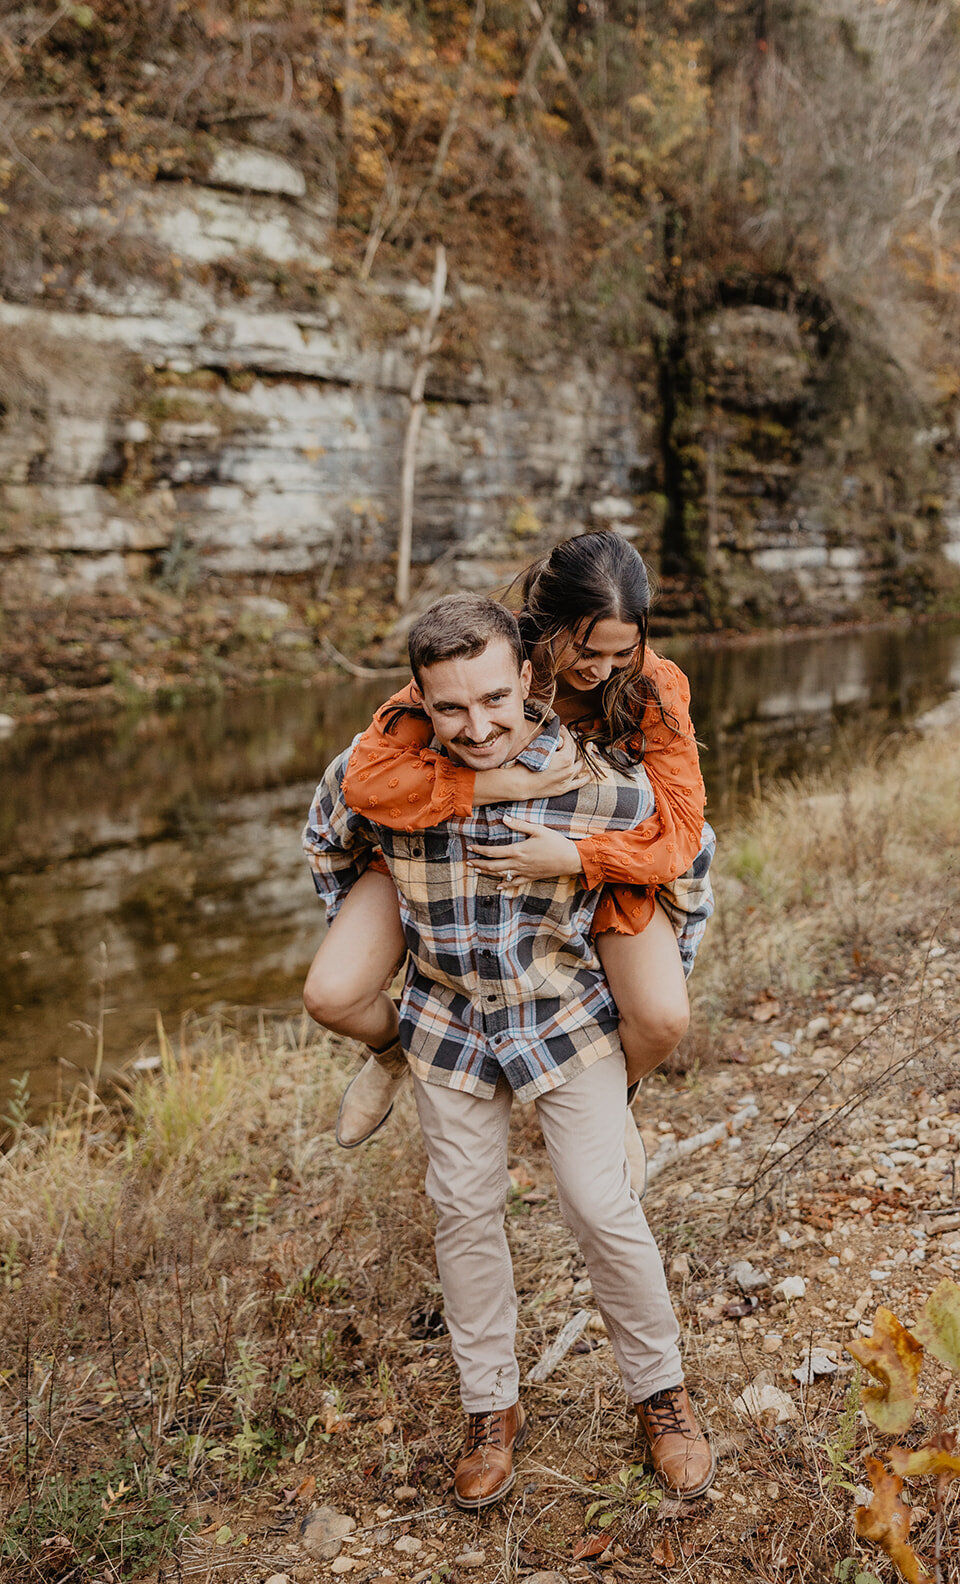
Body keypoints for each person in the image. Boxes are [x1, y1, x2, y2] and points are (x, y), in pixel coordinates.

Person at [303, 594, 715, 1507]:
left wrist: (640, 948)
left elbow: (681, 862)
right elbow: (329, 832)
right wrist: (376, 935)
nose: (476, 725)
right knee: (461, 1208)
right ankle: (489, 1409)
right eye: (450, 707)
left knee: (599, 1204)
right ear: (418, 697)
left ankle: (662, 1397)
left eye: (493, 699)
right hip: (448, 1023)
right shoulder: (381, 771)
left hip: (561, 1018)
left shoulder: (595, 779)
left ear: (528, 679)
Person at [303, 533, 711, 1188]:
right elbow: (369, 778)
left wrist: (575, 857)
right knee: (331, 993)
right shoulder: (484, 658)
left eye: (620, 652)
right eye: (586, 649)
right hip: (442, 847)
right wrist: (500, 786)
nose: (601, 671)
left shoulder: (652, 688)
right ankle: (390, 1053)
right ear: (541, 631)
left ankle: (611, 1100)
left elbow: (680, 833)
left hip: (586, 865)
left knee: (662, 1018)